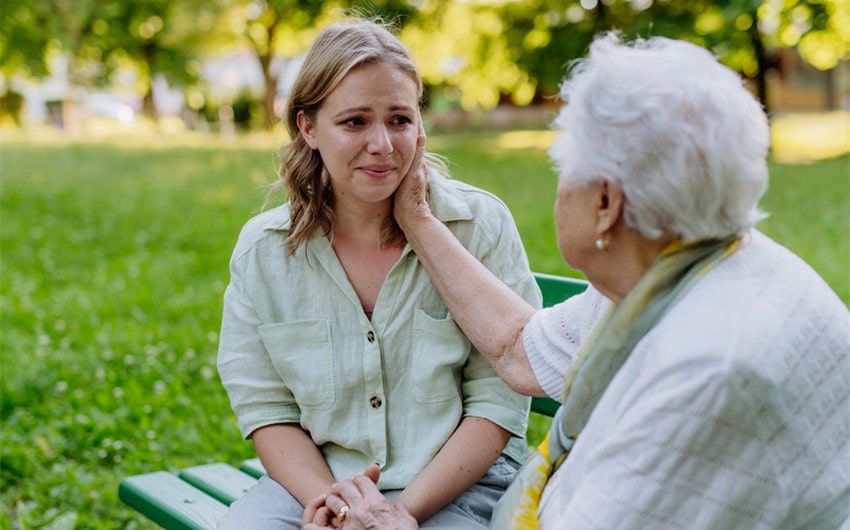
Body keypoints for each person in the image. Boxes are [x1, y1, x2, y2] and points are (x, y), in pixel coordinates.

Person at [304, 33, 850, 530]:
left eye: (567, 171)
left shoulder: (707, 369)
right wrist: (418, 218)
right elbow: (520, 351)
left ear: (606, 204)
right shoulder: (685, 271)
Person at [215, 18, 542, 530]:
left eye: (399, 120)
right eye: (354, 122)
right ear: (308, 127)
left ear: (420, 124)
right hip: (316, 483)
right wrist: (338, 507)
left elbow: (498, 402)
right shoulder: (265, 251)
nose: (383, 145)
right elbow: (267, 409)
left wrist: (398, 514)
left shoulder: (479, 227)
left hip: (459, 485)